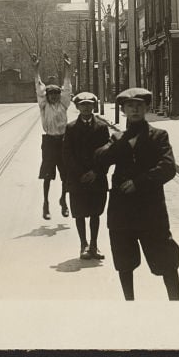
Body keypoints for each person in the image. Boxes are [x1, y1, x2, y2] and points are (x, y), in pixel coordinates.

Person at [94, 87, 179, 301]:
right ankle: (130, 305)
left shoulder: (158, 136)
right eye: (130, 106)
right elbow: (99, 160)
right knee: (124, 263)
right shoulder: (117, 139)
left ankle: (176, 305)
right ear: (123, 110)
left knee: (166, 261)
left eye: (139, 106)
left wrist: (139, 182)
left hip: (151, 212)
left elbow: (168, 167)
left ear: (146, 108)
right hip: (122, 214)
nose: (135, 110)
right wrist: (123, 141)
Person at [62, 92, 110, 260]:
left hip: (97, 178)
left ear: (94, 106)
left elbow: (107, 153)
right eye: (83, 105)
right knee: (80, 213)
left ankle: (94, 245)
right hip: (78, 179)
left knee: (96, 212)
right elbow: (67, 154)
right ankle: (84, 245)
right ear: (77, 107)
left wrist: (96, 172)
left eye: (89, 104)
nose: (86, 107)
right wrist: (80, 173)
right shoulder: (71, 128)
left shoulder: (102, 127)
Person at [32, 53, 71, 220]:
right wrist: (36, 69)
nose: (54, 96)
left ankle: (63, 200)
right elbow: (39, 87)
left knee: (66, 176)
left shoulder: (63, 104)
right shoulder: (44, 106)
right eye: (51, 94)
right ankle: (46, 204)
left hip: (63, 141)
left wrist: (68, 69)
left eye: (56, 94)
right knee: (47, 176)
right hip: (49, 142)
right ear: (47, 96)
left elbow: (67, 87)